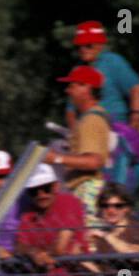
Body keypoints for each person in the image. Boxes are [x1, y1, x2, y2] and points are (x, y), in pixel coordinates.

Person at [49, 66, 110, 221]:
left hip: (86, 189)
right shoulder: (91, 118)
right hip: (85, 188)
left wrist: (56, 158)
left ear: (87, 88)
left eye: (72, 86)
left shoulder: (90, 120)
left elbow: (93, 161)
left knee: (87, 240)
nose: (68, 91)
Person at [67, 20, 139, 128]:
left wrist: (135, 116)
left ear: (100, 45)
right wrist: (75, 133)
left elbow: (136, 87)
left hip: (115, 124)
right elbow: (70, 110)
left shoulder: (113, 61)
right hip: (88, 125)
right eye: (79, 46)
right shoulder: (77, 69)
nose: (82, 49)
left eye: (88, 45)